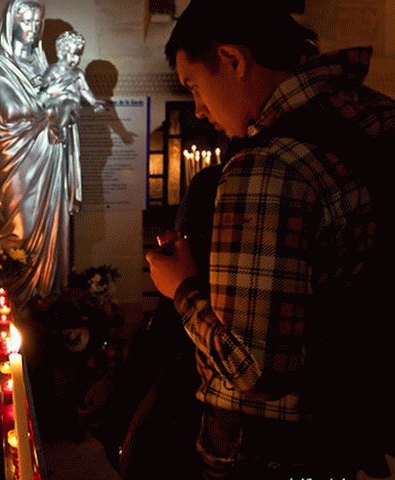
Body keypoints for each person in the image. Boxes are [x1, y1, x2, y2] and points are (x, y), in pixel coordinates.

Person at [146, 1, 395, 478]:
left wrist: (181, 287)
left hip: (270, 448)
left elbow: (256, 371)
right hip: (357, 424)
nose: (198, 109)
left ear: (234, 60)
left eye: (194, 85)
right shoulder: (374, 117)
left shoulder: (271, 165)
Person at [0, 0, 82, 302]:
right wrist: (52, 98)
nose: (33, 29)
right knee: (19, 228)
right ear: (11, 23)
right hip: (20, 161)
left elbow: (69, 105)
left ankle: (50, 293)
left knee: (54, 222)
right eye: (27, 21)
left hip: (51, 158)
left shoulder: (44, 64)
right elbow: (11, 110)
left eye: (39, 22)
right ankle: (17, 299)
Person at [40, 30, 106, 144]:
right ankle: (52, 133)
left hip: (72, 108)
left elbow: (84, 90)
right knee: (49, 110)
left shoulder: (78, 73)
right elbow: (43, 87)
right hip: (54, 107)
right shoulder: (52, 71)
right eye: (73, 54)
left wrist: (94, 103)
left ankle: (58, 130)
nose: (77, 59)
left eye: (79, 55)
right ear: (61, 52)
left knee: (67, 104)